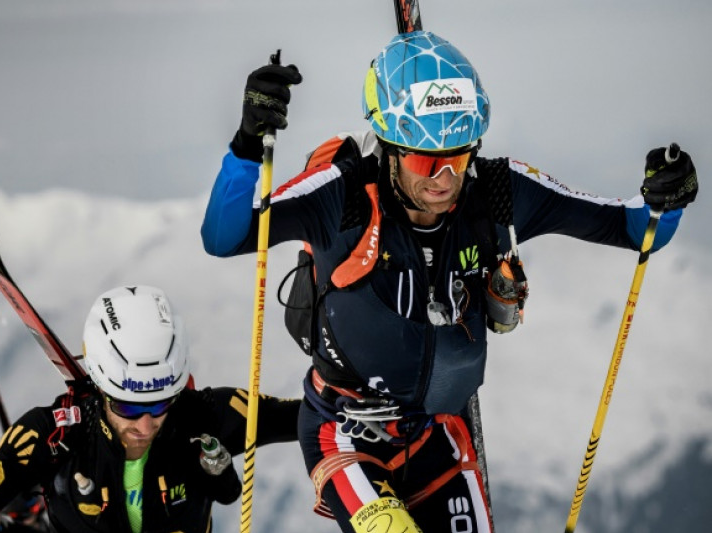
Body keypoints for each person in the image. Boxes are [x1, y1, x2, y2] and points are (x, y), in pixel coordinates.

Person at [200, 31, 698, 533]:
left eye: (458, 156)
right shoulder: (342, 196)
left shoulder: (496, 191)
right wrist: (247, 144)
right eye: (424, 160)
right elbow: (225, 235)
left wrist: (665, 201)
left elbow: (633, 229)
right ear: (390, 149)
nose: (444, 178)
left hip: (439, 433)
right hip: (345, 432)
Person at [0, 285, 301, 533]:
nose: (147, 424)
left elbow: (314, 415)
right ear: (100, 388)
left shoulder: (205, 416)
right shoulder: (54, 433)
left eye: (161, 403)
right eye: (128, 407)